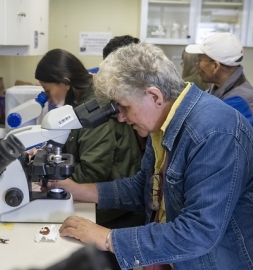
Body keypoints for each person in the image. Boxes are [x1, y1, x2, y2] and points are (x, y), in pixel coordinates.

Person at [48, 42, 253, 270]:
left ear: (154, 96)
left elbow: (199, 232)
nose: (121, 118)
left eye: (124, 107)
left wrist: (108, 238)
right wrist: (77, 189)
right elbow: (143, 189)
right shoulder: (162, 125)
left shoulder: (214, 132)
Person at [35, 49, 145, 269]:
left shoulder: (95, 109)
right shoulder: (79, 104)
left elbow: (92, 171)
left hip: (116, 212)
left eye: (47, 90)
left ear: (65, 82)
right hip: (105, 201)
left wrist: (49, 176)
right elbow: (75, 144)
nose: (46, 97)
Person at [185, 32, 253, 119]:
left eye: (200, 60)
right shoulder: (219, 87)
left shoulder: (237, 102)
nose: (197, 65)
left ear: (215, 66)